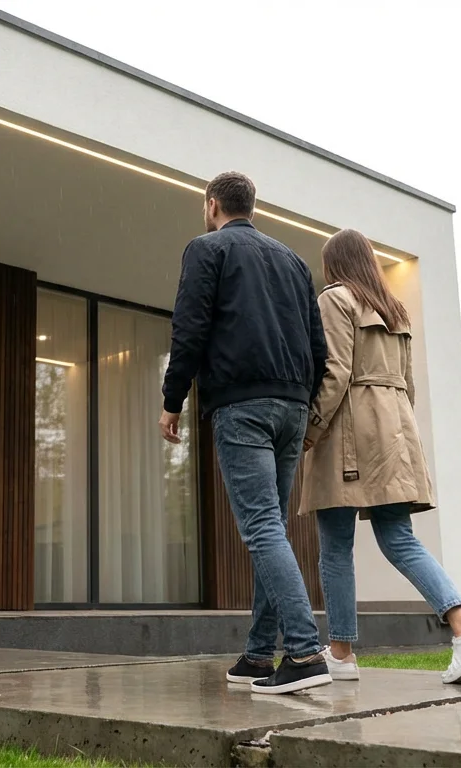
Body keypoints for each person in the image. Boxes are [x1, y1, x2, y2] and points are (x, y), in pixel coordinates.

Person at [160, 171, 332, 695]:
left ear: (212, 205)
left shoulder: (206, 248)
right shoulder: (294, 261)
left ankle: (304, 652)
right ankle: (259, 655)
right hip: (292, 406)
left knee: (261, 528)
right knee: (271, 528)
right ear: (251, 206)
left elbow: (189, 329)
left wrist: (172, 400)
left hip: (243, 404)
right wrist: (302, 401)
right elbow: (319, 347)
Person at [300, 228, 461, 685]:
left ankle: (342, 653)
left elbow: (335, 373)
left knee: (335, 546)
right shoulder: (394, 309)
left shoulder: (335, 300)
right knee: (399, 538)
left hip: (348, 432)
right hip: (394, 432)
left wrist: (308, 432)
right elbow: (407, 386)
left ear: (335, 265)